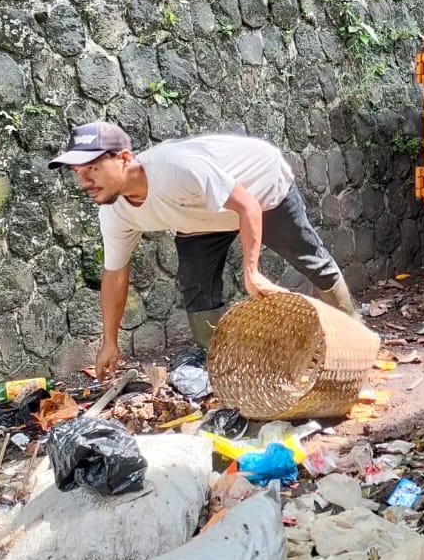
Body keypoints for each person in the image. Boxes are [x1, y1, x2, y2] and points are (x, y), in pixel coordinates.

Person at [50, 122, 359, 375]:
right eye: (79, 174)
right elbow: (115, 275)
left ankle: (351, 339)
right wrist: (110, 343)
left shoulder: (177, 168)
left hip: (260, 189)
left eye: (92, 168)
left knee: (309, 258)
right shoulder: (114, 211)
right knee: (196, 288)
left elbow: (247, 205)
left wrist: (252, 271)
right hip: (200, 217)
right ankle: (233, 371)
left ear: (125, 158)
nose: (85, 182)